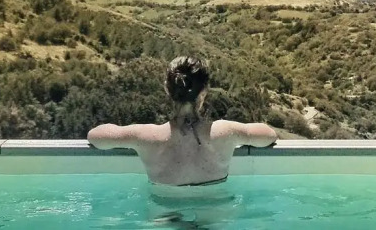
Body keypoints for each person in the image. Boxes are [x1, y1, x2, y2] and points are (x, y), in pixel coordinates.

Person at [88, 56, 277, 186]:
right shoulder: (226, 132)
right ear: (204, 92)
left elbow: (95, 137)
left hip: (165, 218)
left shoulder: (145, 135)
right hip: (213, 219)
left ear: (167, 89)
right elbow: (269, 135)